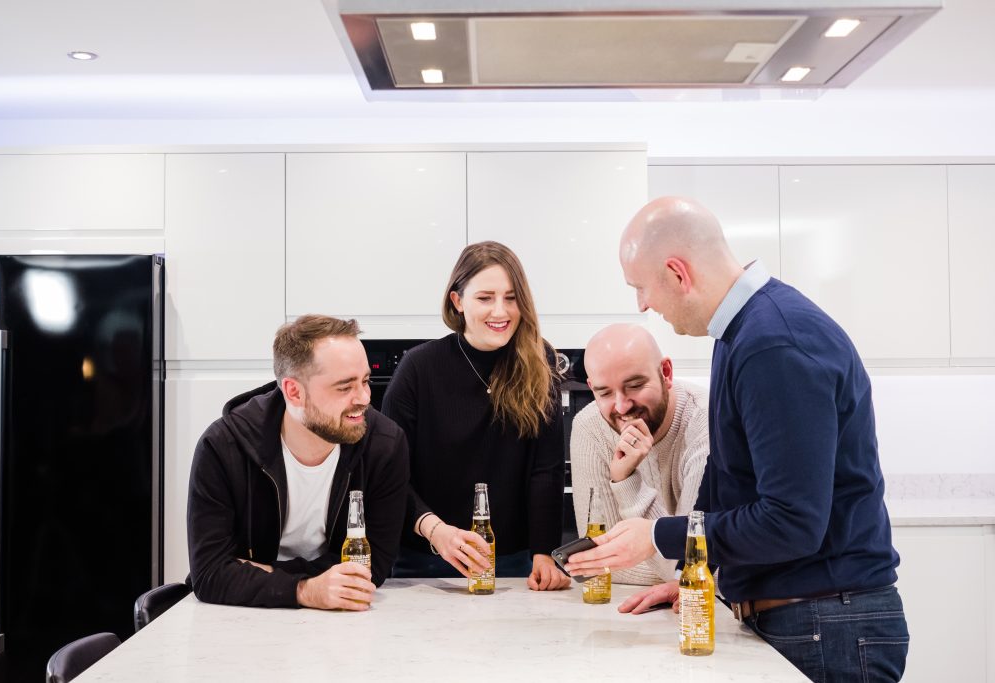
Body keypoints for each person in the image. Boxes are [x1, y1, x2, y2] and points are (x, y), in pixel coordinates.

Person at [565, 197, 908, 682]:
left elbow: (791, 521)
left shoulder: (772, 344)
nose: (643, 304)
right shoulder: (741, 335)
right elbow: (731, 485)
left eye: (640, 288)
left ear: (677, 272)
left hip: (827, 626)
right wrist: (693, 572)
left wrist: (659, 537)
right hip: (808, 618)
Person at [186, 315, 410, 611]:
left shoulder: (385, 444)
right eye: (345, 388)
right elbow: (209, 574)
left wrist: (258, 572)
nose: (364, 398)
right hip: (239, 620)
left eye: (365, 381)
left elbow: (373, 566)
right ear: (294, 391)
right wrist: (305, 590)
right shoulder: (223, 447)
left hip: (340, 624)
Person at [382, 241, 570, 591]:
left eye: (511, 298)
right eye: (485, 298)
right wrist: (436, 531)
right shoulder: (419, 368)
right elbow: (390, 475)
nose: (501, 311)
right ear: (458, 301)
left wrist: (545, 552)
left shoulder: (537, 361)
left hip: (514, 562)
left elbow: (546, 469)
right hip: (425, 563)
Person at [570, 323, 708, 586]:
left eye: (634, 385)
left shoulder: (706, 424)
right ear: (591, 387)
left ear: (665, 373)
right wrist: (677, 573)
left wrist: (626, 482)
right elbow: (596, 563)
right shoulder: (589, 427)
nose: (622, 406)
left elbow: (690, 563)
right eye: (604, 392)